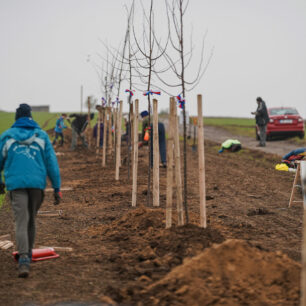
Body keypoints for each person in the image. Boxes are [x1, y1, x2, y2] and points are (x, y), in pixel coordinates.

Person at [0, 104, 61, 278]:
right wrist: (57, 188)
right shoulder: (41, 136)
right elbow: (51, 163)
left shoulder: (7, 136)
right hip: (37, 186)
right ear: (31, 117)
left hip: (16, 184)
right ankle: (27, 255)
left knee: (21, 221)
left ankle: (24, 259)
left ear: (16, 118)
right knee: (30, 220)